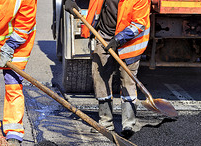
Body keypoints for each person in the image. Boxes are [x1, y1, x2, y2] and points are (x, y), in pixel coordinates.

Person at [64, 0, 150, 138]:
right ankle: (106, 121)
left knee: (128, 80)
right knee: (100, 76)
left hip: (130, 42)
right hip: (103, 35)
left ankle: (128, 123)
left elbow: (139, 23)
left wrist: (118, 40)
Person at [0, 0, 37, 146]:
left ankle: (14, 134)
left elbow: (25, 23)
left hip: (17, 44)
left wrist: (10, 46)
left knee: (13, 85)